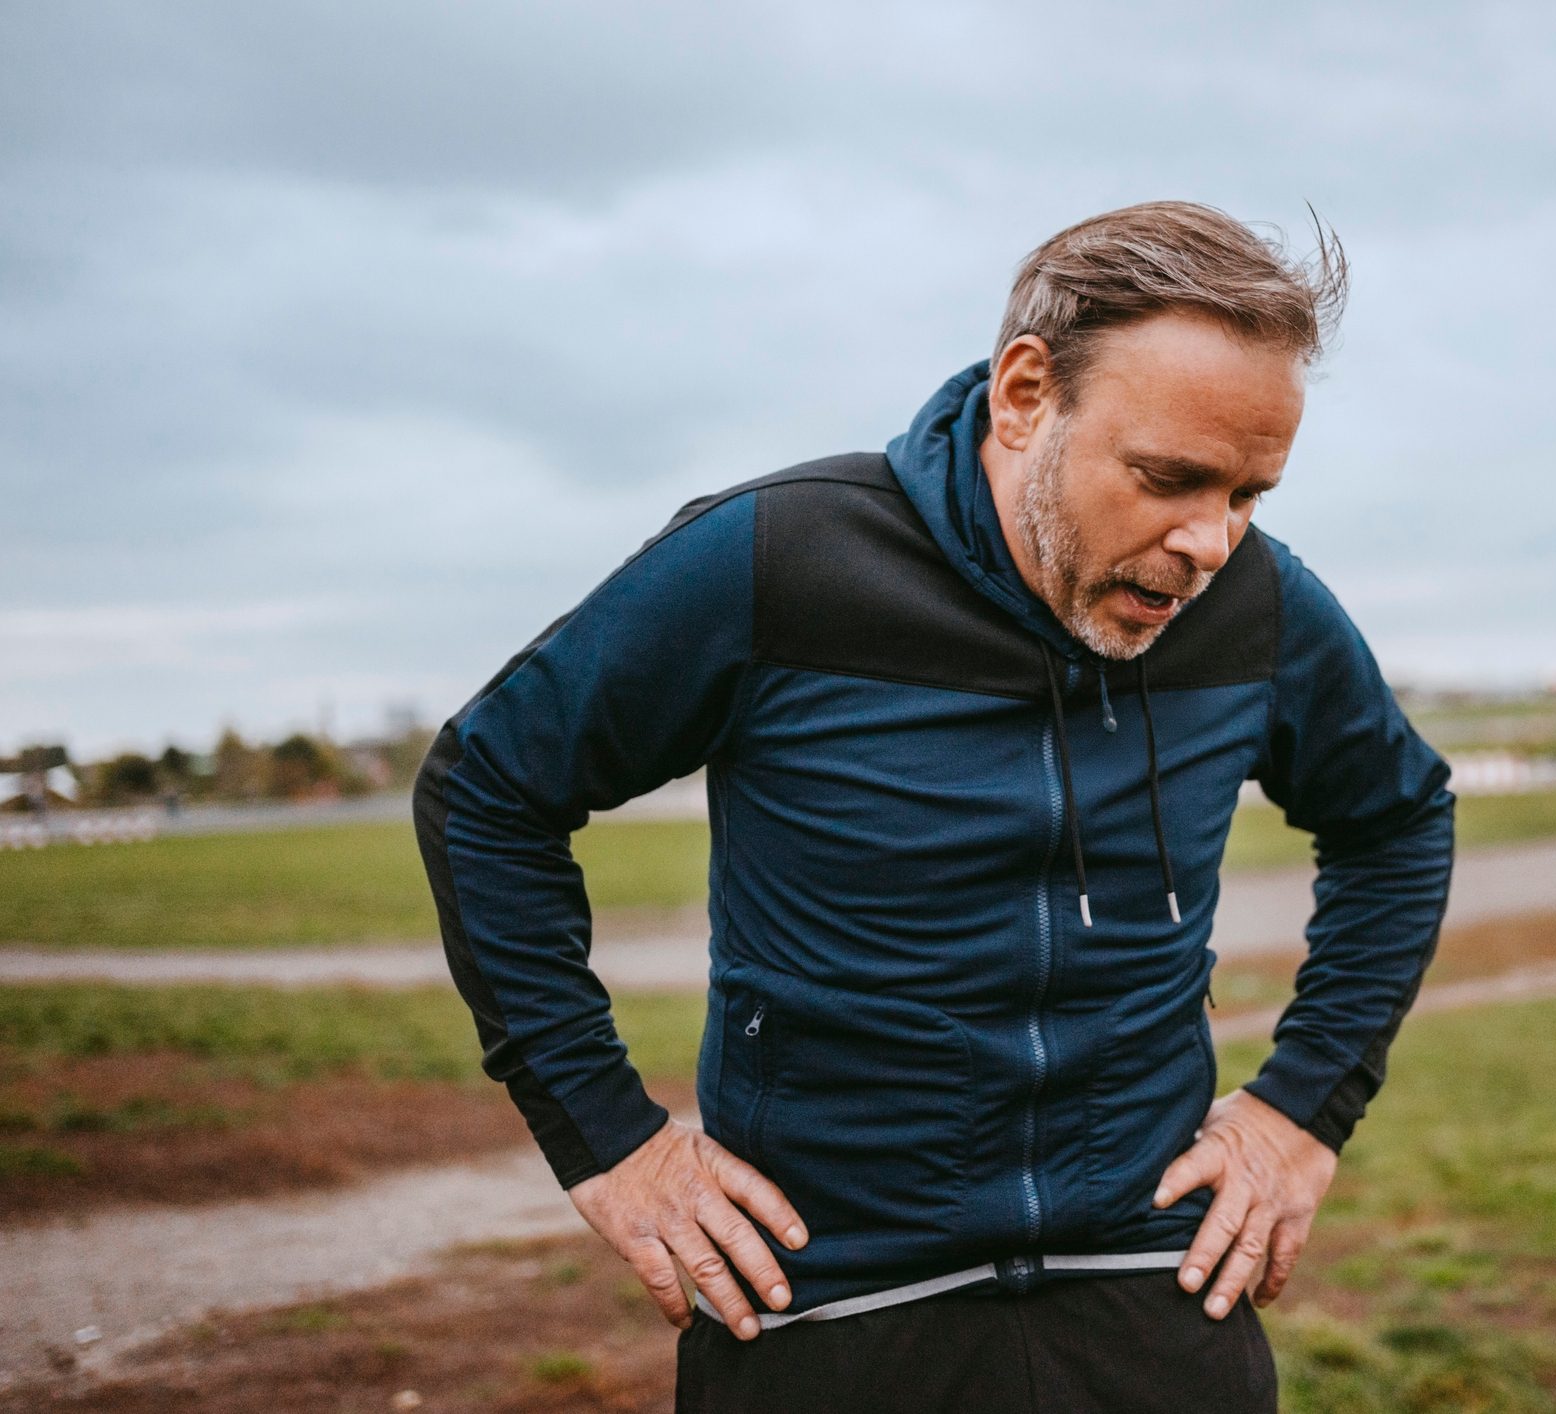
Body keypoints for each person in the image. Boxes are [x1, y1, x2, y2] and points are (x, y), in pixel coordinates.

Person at [414, 202, 1455, 1412]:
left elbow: (1397, 817)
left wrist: (1302, 1112)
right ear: (1025, 395)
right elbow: (487, 789)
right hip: (831, 1301)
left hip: (1151, 1285)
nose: (1210, 541)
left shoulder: (1256, 609)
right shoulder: (776, 564)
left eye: (1250, 495)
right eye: (1171, 478)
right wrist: (608, 1137)